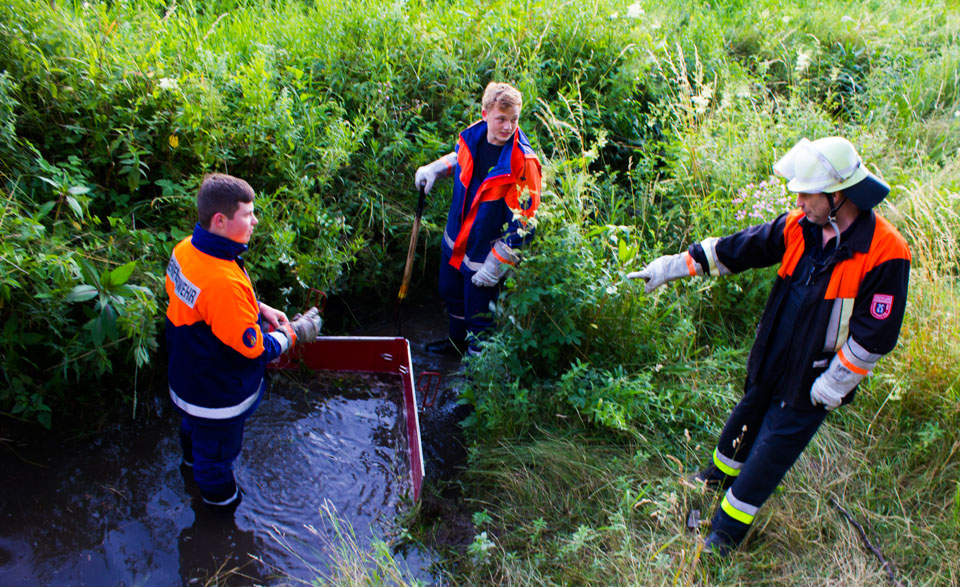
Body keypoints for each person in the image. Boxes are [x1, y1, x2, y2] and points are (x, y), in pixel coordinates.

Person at [630, 137, 911, 554]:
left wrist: (834, 385)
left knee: (768, 456)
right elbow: (736, 249)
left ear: (837, 196)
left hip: (815, 379)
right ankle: (713, 480)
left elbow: (875, 336)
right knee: (744, 420)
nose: (798, 201)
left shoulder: (886, 252)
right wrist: (673, 267)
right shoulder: (801, 226)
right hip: (774, 356)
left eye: (806, 193)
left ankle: (722, 539)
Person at [164, 173, 323, 508]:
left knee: (194, 436)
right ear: (220, 220)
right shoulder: (223, 282)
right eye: (248, 214)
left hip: (186, 376)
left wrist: (259, 308)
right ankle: (219, 509)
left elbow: (202, 303)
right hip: (216, 394)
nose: (255, 221)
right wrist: (294, 333)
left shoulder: (186, 251)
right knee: (217, 459)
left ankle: (190, 468)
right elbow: (255, 350)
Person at [414, 81, 542, 355]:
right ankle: (455, 345)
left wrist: (499, 262)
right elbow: (460, 160)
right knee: (451, 295)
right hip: (455, 244)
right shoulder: (473, 137)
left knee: (480, 320)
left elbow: (526, 221)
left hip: (484, 256)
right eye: (501, 119)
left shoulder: (523, 162)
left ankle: (475, 385)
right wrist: (435, 169)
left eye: (514, 120)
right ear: (485, 114)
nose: (508, 127)